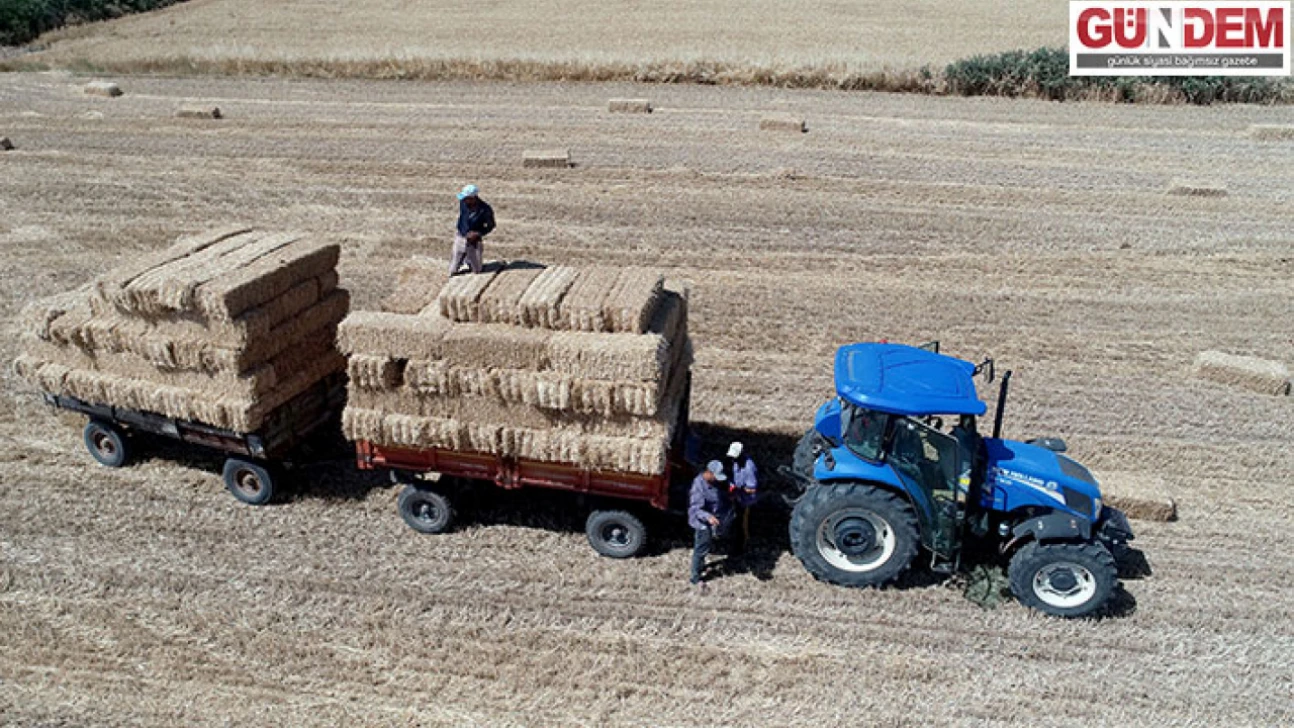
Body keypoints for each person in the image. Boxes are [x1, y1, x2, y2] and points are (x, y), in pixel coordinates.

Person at [688, 460, 730, 592]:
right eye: (715, 477)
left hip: (712, 518)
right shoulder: (699, 487)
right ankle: (695, 577)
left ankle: (701, 566)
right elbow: (696, 509)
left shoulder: (712, 482)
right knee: (701, 549)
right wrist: (709, 517)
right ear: (709, 473)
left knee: (706, 546)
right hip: (702, 523)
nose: (717, 480)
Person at [449, 184, 496, 275]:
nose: (463, 199)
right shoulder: (463, 203)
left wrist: (478, 233)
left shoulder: (485, 209)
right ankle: (464, 258)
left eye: (466, 198)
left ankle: (469, 259)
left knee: (477, 270)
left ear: (473, 198)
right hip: (461, 236)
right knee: (453, 270)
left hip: (474, 241)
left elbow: (491, 225)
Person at [726, 441, 758, 556]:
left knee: (742, 525)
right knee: (736, 522)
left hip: (746, 500)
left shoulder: (749, 467)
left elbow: (752, 489)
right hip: (738, 497)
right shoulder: (736, 462)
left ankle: (742, 547)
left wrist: (739, 489)